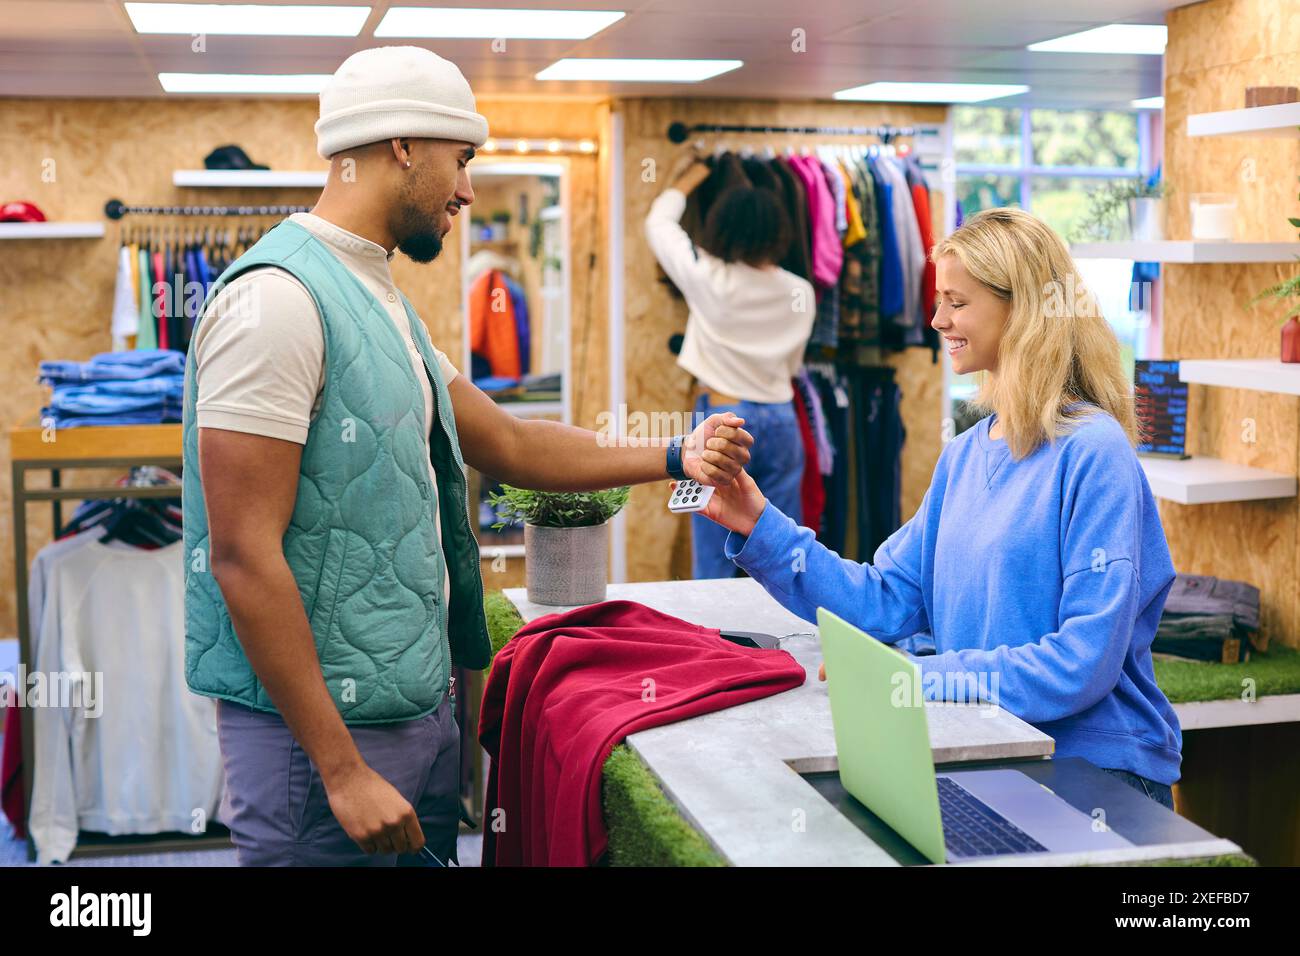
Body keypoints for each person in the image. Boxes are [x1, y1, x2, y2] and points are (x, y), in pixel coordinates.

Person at [184, 46, 754, 866]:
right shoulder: (275, 302)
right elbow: (241, 554)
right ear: (404, 145)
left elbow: (514, 441)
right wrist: (342, 771)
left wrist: (674, 453)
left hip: (406, 717)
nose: (467, 190)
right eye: (463, 159)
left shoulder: (379, 299)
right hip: (323, 749)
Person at [693, 207, 1183, 808]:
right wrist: (761, 526)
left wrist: (915, 678)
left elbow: (1081, 663)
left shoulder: (1094, 453)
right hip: (988, 745)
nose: (937, 319)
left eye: (956, 301)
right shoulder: (966, 455)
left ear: (1022, 309)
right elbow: (887, 600)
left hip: (1093, 769)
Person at [645, 153, 816, 580]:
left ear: (720, 228)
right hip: (780, 420)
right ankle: (785, 641)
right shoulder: (801, 292)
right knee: (780, 545)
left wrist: (684, 183)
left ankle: (715, 640)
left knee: (713, 548)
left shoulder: (710, 278)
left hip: (720, 423)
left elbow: (659, 226)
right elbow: (793, 365)